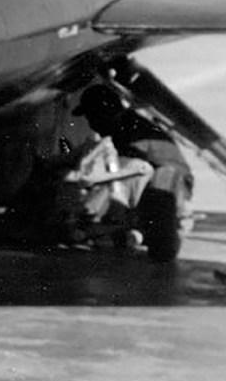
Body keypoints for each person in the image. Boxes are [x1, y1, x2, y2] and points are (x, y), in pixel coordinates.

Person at [75, 81, 193, 261]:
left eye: (92, 117)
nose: (91, 124)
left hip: (168, 181)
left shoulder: (131, 132)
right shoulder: (127, 126)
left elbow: (126, 171)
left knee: (162, 249)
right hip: (169, 182)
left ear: (104, 113)